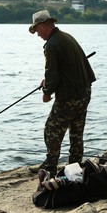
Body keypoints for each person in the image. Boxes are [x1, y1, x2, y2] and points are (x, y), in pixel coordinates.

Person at [29, 10, 96, 177]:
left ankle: (50, 165)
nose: (38, 34)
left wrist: (46, 92)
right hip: (84, 91)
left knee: (51, 129)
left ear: (43, 25)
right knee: (76, 130)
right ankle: (75, 164)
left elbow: (51, 73)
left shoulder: (52, 45)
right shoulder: (67, 37)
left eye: (37, 30)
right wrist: (50, 81)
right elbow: (62, 69)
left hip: (70, 96)